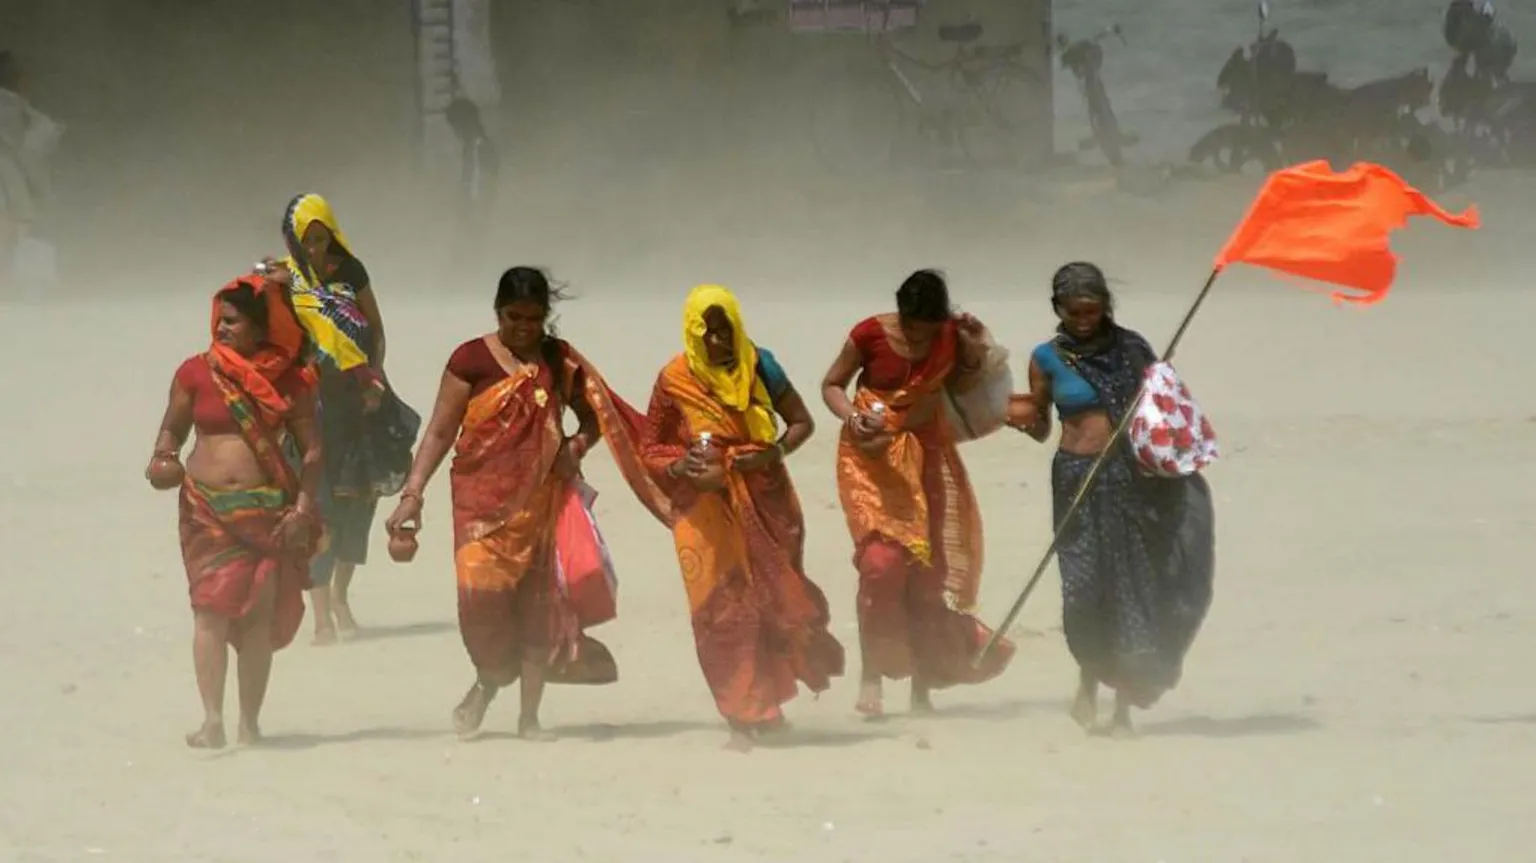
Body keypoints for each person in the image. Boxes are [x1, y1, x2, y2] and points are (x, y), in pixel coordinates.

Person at [384, 267, 668, 739]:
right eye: (514, 317)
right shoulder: (470, 360)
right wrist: (412, 494)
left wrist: (575, 448)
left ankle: (528, 718)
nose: (523, 328)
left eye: (534, 319)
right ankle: (489, 679)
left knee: (538, 606)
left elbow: (596, 418)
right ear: (498, 312)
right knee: (481, 606)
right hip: (478, 506)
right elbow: (439, 430)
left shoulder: (559, 361)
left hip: (541, 503)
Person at [1009, 262, 1215, 737]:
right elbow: (1041, 424)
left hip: (1128, 480)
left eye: (1092, 309)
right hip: (1074, 479)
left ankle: (1121, 707)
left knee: (1130, 589)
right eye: (1073, 309)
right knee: (1084, 589)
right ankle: (1088, 676)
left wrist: (1161, 377)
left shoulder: (1132, 349)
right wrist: (1008, 413)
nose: (1083, 318)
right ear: (1057, 308)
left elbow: (1163, 409)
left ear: (1106, 307)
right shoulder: (1047, 357)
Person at [641, 285, 845, 751]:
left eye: (724, 330)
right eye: (706, 332)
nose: (717, 341)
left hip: (766, 496)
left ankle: (766, 705)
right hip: (704, 507)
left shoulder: (761, 364)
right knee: (721, 609)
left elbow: (801, 423)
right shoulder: (674, 379)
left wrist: (770, 453)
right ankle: (740, 714)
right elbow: (652, 448)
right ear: (692, 333)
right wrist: (682, 466)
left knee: (771, 601)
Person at [820, 269, 1015, 718]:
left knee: (928, 578)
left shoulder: (951, 334)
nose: (920, 337)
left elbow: (967, 384)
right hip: (873, 463)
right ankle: (872, 675)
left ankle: (922, 687)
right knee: (880, 567)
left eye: (929, 329)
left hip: (927, 457)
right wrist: (852, 417)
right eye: (913, 328)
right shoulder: (868, 334)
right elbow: (832, 385)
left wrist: (972, 348)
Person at [145, 274, 322, 749]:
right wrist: (163, 458)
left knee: (257, 619)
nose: (222, 330)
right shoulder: (195, 373)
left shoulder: (291, 381)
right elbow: (172, 431)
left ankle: (249, 723)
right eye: (219, 321)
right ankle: (211, 720)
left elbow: (312, 452)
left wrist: (304, 506)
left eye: (233, 323)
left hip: (267, 513)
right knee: (209, 611)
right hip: (205, 511)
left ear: (261, 328)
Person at [268, 192, 418, 644]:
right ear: (292, 240)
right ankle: (320, 617)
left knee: (359, 502)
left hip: (360, 402)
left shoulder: (351, 271)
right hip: (312, 407)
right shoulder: (284, 279)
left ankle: (341, 595)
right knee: (318, 506)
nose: (315, 249)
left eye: (321, 238)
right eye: (306, 240)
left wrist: (371, 381)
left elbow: (376, 331)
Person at [445, 97, 498, 277]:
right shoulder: (471, 147)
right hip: (472, 209)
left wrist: (477, 208)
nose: (456, 132)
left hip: (477, 209)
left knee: (472, 251)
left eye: (456, 126)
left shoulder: (480, 146)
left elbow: (484, 180)